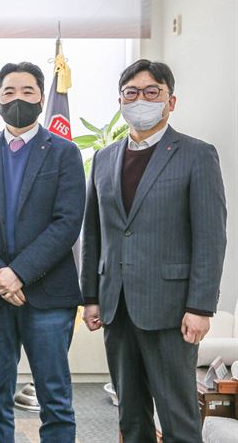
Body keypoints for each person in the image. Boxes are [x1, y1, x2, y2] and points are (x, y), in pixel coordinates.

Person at [82, 59, 227, 442]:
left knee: (178, 419)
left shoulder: (197, 154)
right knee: (130, 417)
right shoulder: (104, 158)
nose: (141, 100)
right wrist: (91, 297)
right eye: (131, 93)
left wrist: (200, 307)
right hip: (117, 306)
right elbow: (94, 233)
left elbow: (210, 237)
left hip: (172, 310)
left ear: (170, 101)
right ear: (120, 101)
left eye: (152, 92)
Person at [0, 62, 85, 442]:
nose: (18, 99)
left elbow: (67, 223)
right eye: (9, 91)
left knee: (54, 397)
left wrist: (19, 273)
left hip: (49, 295)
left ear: (42, 98)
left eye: (28, 91)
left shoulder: (64, 153)